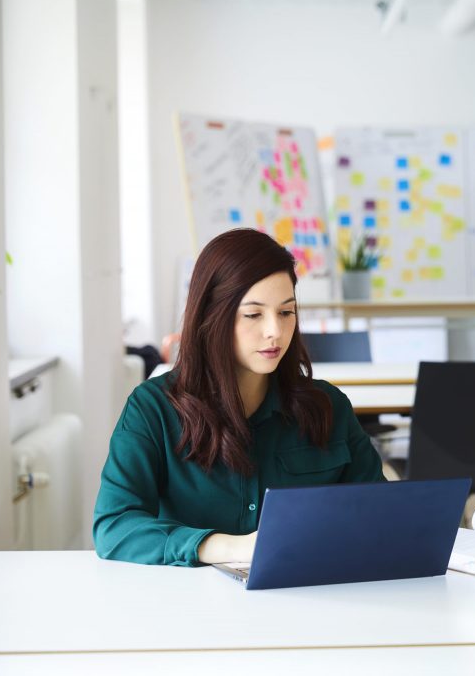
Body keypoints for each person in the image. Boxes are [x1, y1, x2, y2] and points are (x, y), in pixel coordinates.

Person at [93, 229, 385, 566]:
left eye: (286, 312)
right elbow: (114, 527)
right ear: (211, 316)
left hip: (306, 600)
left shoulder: (328, 407)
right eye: (254, 314)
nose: (274, 330)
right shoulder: (152, 410)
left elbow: (379, 512)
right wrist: (228, 547)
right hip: (187, 608)